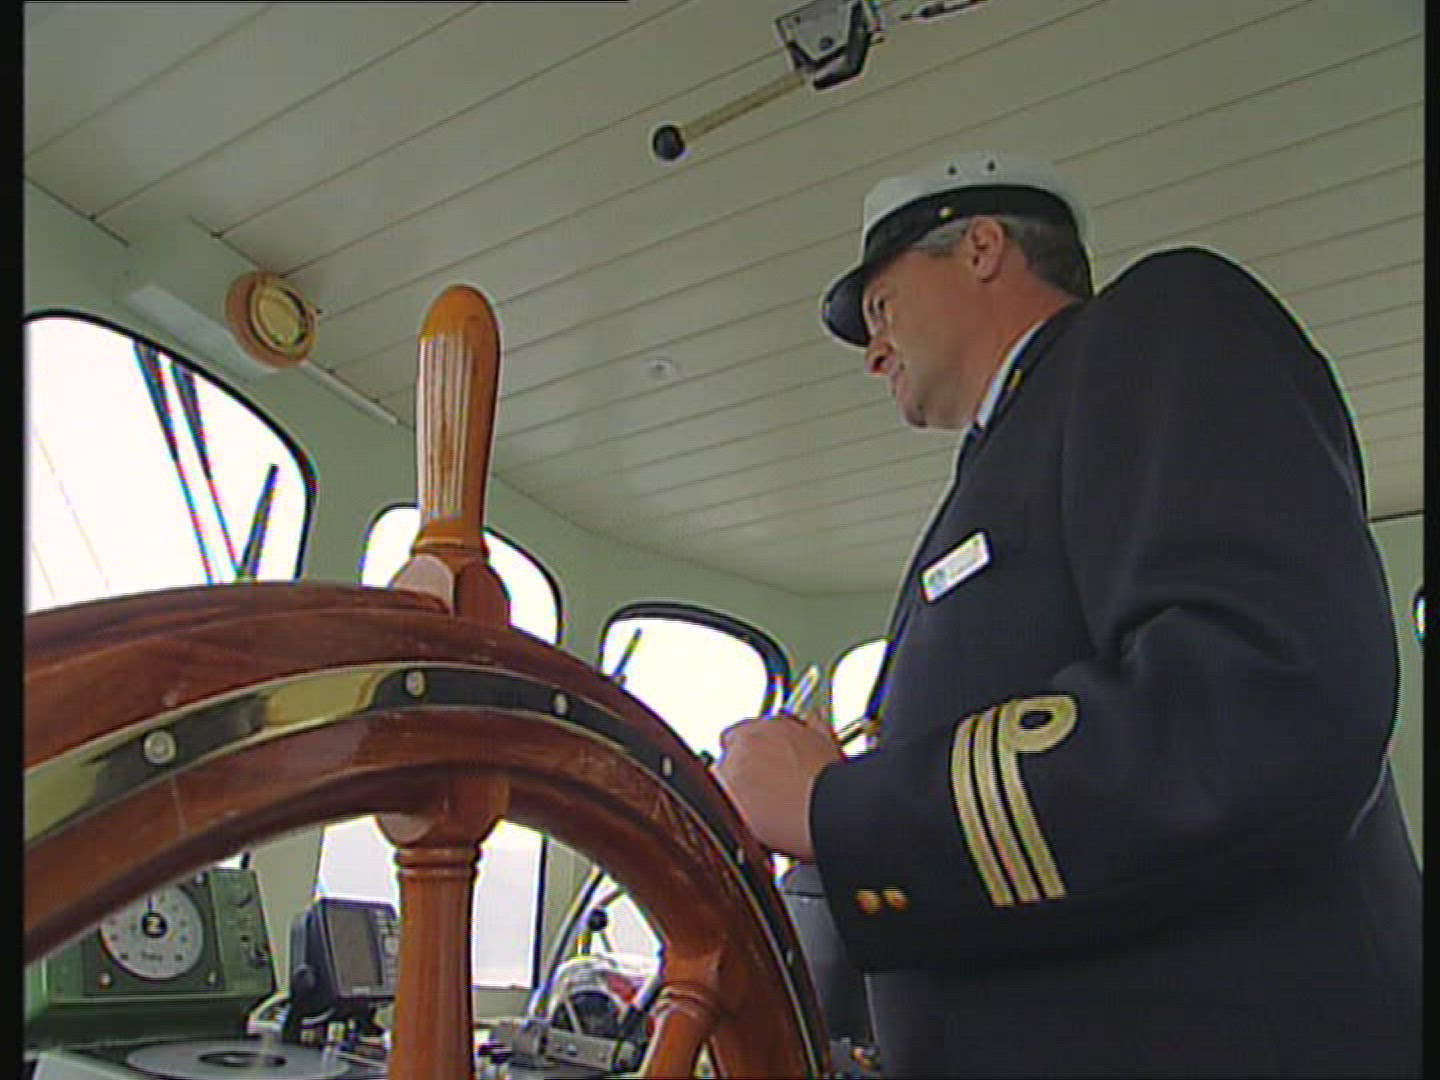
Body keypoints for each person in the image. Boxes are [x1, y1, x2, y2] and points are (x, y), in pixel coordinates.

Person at [713, 150, 1420, 1077]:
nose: (873, 351)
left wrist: (840, 811)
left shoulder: (1160, 324)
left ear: (982, 248)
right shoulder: (1000, 466)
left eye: (882, 308)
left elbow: (1264, 696)